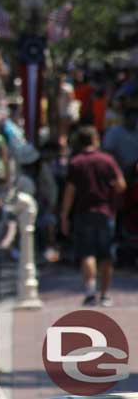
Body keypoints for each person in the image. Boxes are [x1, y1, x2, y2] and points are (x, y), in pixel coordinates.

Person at [60, 126, 127, 306]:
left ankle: (90, 293)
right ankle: (105, 295)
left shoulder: (76, 163)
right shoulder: (108, 160)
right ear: (95, 139)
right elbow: (121, 185)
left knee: (87, 253)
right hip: (106, 212)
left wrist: (64, 216)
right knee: (106, 255)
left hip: (84, 212)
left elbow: (70, 192)